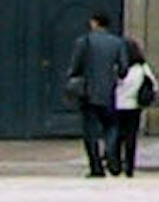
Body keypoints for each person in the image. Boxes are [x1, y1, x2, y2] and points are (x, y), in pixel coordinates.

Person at [63, 11, 133, 179]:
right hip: (109, 93)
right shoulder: (118, 43)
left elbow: (74, 68)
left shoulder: (83, 42)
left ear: (94, 23)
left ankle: (96, 167)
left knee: (90, 131)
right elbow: (124, 69)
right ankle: (110, 153)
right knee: (111, 126)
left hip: (88, 93)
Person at [109, 38, 153, 177]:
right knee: (130, 137)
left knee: (115, 136)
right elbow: (153, 85)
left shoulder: (116, 67)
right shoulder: (142, 68)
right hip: (134, 106)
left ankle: (114, 164)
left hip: (117, 105)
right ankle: (129, 166)